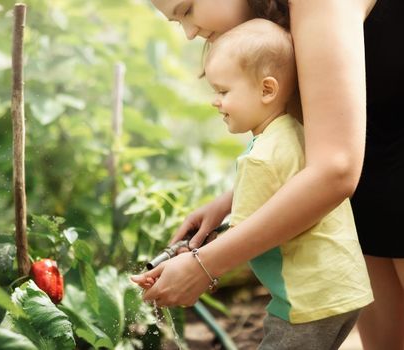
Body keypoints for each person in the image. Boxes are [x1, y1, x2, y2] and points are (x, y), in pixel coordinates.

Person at [131, 0, 404, 349]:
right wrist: (232, 201)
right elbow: (320, 143)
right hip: (374, 189)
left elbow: (335, 170)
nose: (189, 32)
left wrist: (206, 264)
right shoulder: (277, 25)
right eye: (175, 22)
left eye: (187, 9)